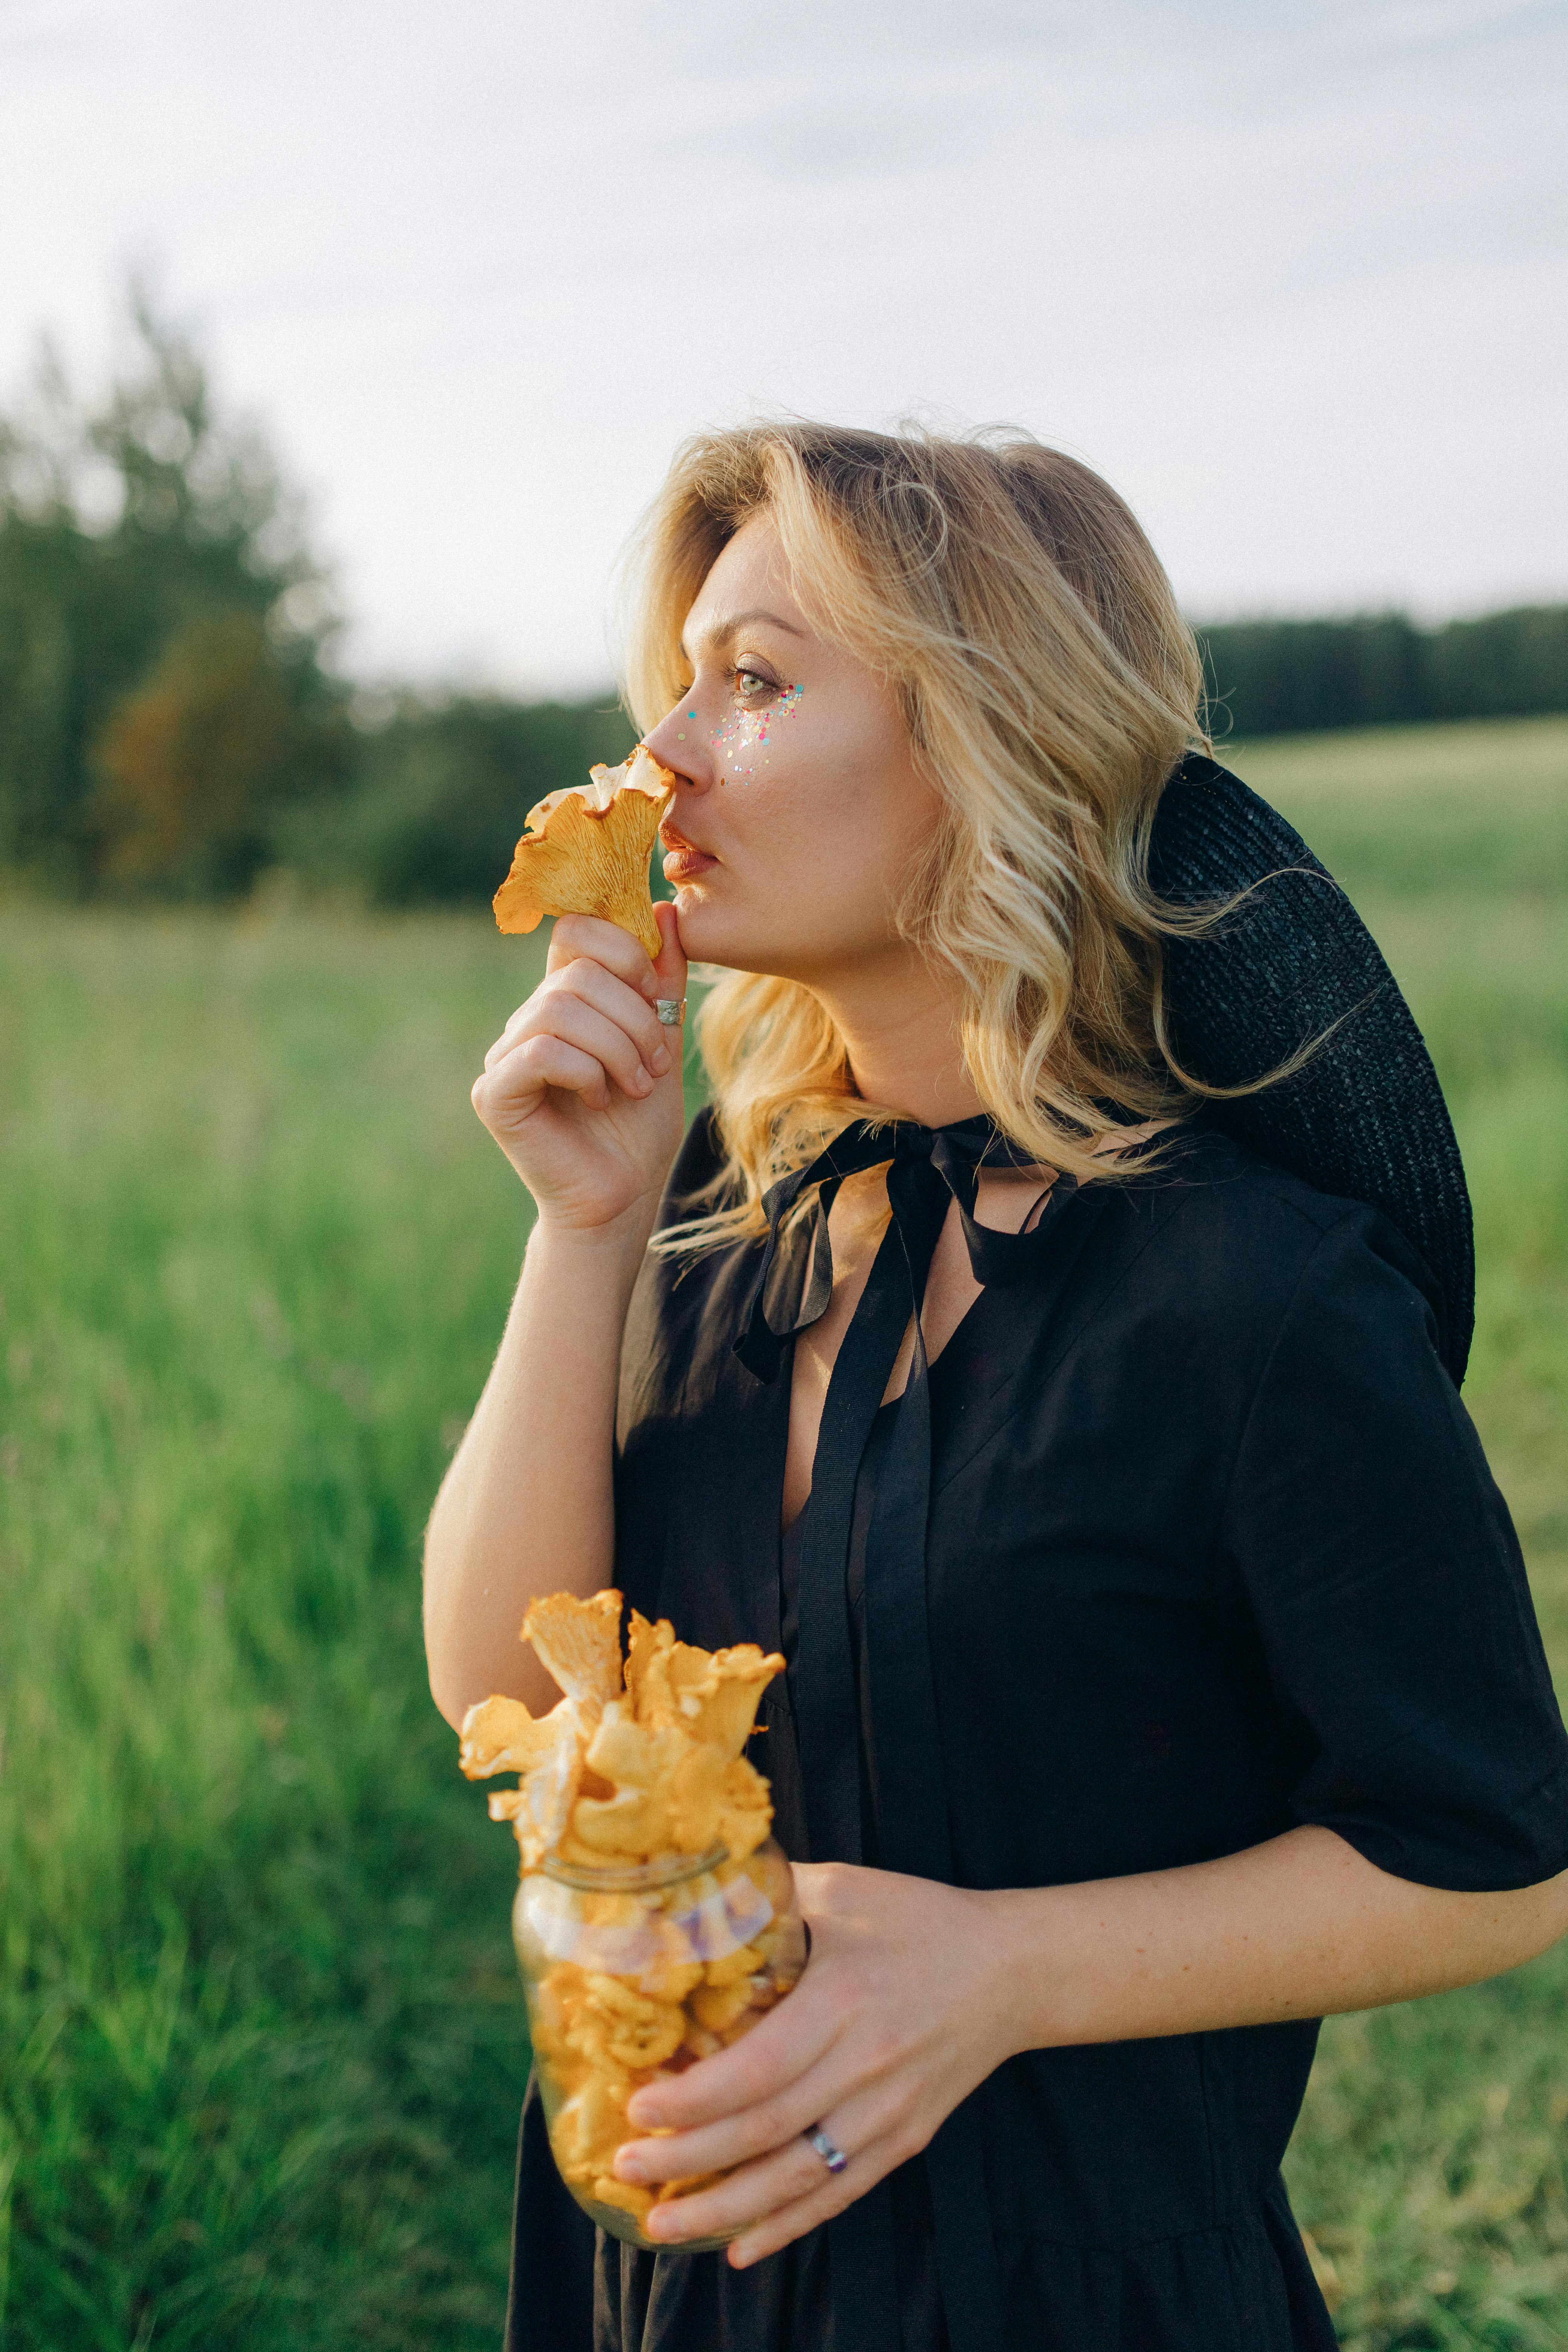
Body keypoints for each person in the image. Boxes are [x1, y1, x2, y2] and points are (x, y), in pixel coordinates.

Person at [422, 425, 1568, 2352]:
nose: (662, 758)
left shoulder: (1257, 1294)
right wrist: (582, 1229)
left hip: (1078, 2299)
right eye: (675, 686)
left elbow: (1488, 1860)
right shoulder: (713, 1211)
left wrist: (1003, 1973)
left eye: (758, 682)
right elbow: (511, 1707)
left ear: (985, 735)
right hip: (669, 2284)